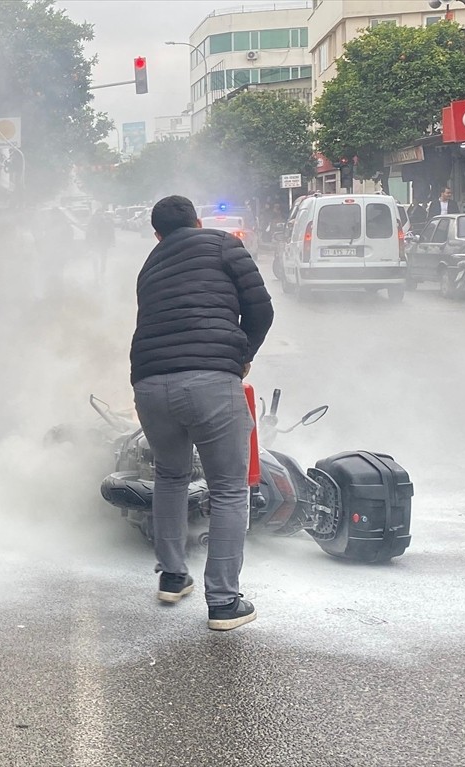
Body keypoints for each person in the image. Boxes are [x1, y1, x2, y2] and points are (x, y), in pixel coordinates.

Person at [130, 195, 274, 632]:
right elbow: (261, 309)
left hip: (149, 384)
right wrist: (241, 354)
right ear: (196, 221)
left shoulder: (149, 266)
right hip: (210, 381)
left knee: (170, 478)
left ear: (157, 234)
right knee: (229, 489)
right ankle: (224, 602)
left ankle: (173, 576)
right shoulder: (223, 244)